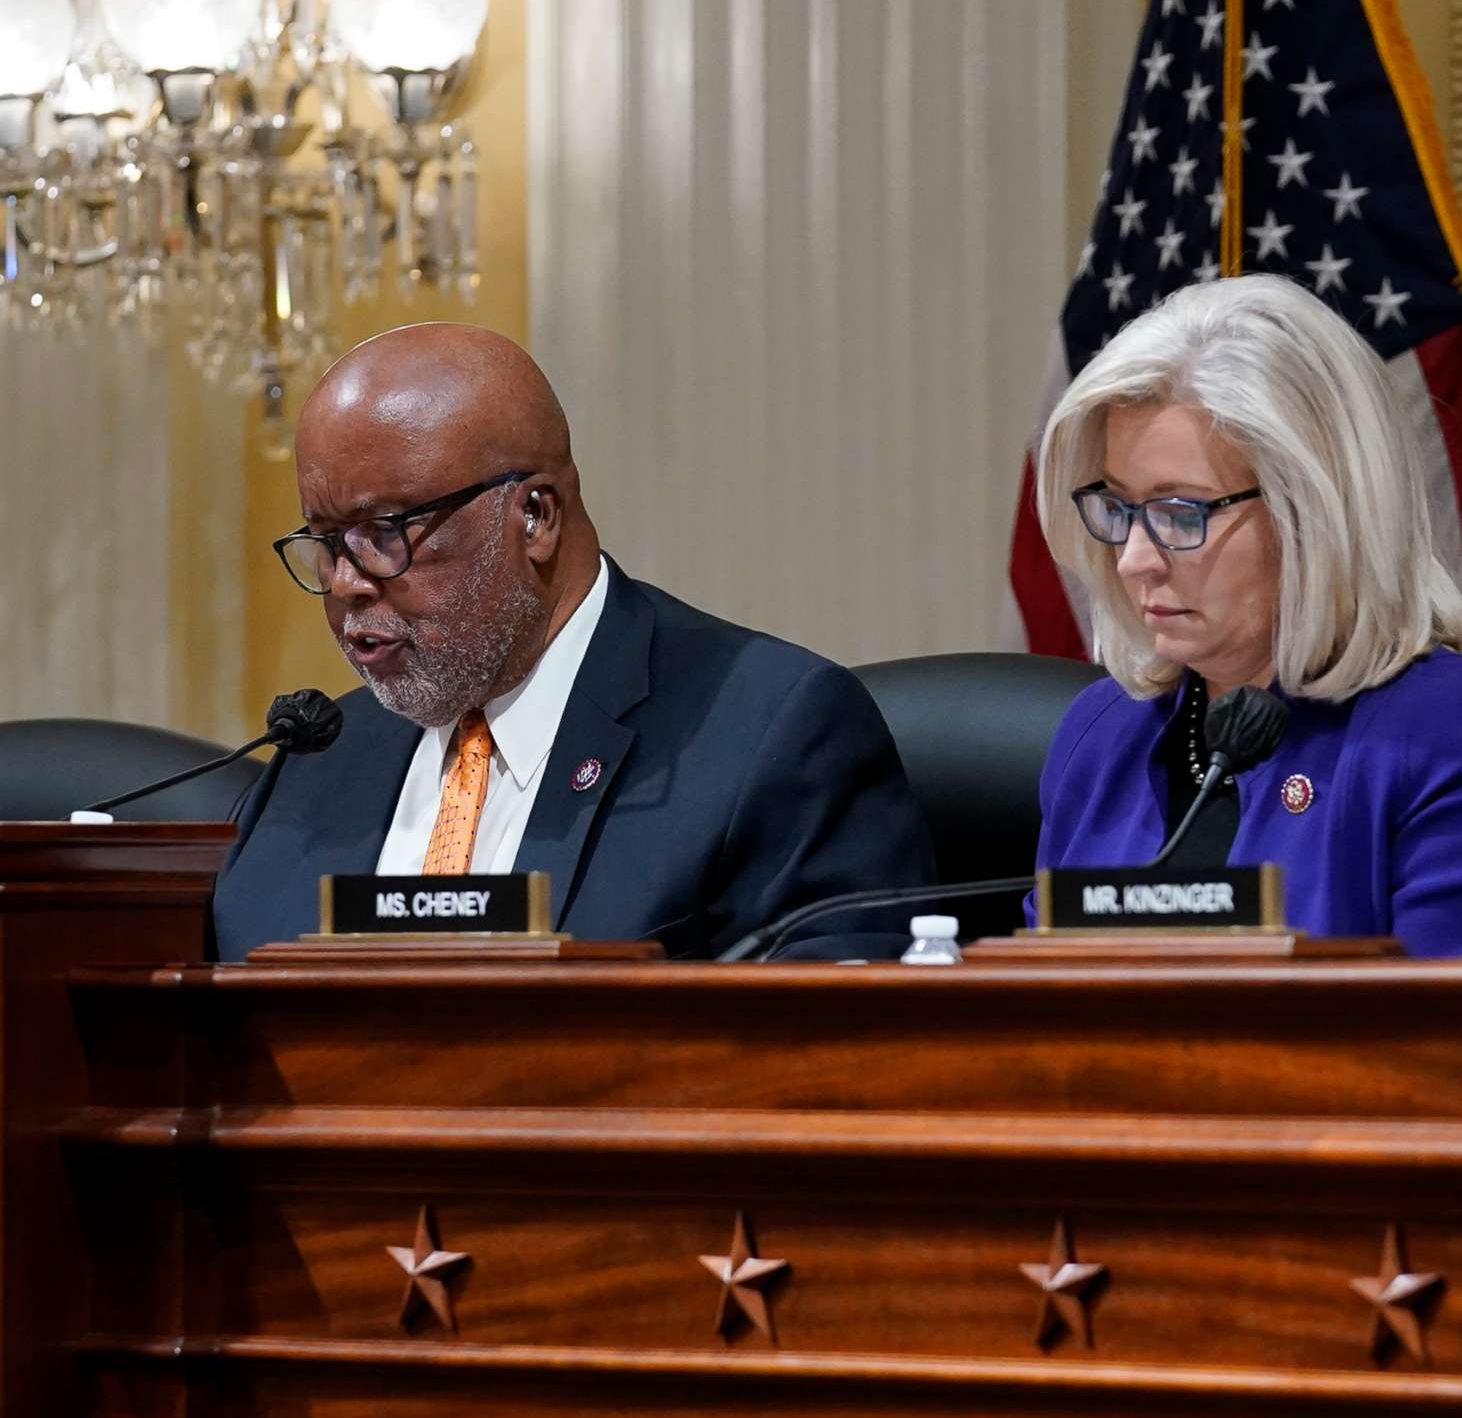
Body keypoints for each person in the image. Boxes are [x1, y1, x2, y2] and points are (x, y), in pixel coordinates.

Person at [212, 323, 934, 960]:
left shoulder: (770, 737)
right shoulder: (314, 769)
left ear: (534, 516)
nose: (344, 583)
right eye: (326, 541)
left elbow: (830, 1062)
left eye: (384, 533)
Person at [1028, 274, 1462, 956]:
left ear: (1316, 512)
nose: (1134, 559)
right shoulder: (1101, 740)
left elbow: (1456, 1053)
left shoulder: (1456, 740)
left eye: (1179, 513)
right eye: (1119, 507)